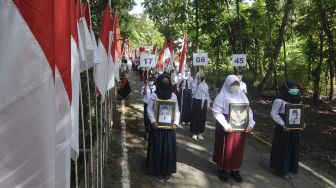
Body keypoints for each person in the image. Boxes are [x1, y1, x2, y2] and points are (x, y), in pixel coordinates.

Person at [212, 75, 255, 183]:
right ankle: (223, 169)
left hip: (240, 126)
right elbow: (216, 111)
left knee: (237, 149)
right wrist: (225, 125)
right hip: (226, 126)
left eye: (237, 84)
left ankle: (235, 169)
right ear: (227, 84)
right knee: (225, 148)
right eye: (232, 84)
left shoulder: (242, 96)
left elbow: (248, 110)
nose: (235, 86)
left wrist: (251, 124)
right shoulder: (221, 96)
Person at [146, 74, 180, 182]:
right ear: (159, 83)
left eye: (167, 82)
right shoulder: (154, 96)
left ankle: (167, 171)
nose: (165, 83)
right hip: (157, 128)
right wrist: (153, 121)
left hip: (170, 128)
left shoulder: (173, 96)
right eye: (163, 82)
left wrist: (175, 123)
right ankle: (157, 171)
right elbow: (149, 109)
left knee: (168, 150)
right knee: (158, 148)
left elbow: (177, 111)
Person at [270, 80, 302, 180]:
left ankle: (289, 169)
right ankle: (281, 170)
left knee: (292, 148)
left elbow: (300, 112)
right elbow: (273, 113)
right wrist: (283, 124)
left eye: (297, 88)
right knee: (282, 148)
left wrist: (301, 123)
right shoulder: (279, 100)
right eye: (293, 88)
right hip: (283, 128)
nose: (295, 90)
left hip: (294, 128)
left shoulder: (298, 99)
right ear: (287, 88)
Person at [190, 72, 211, 140]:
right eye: (199, 76)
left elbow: (207, 95)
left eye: (202, 76)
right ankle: (195, 132)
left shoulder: (206, 85)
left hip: (203, 102)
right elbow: (193, 93)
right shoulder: (194, 83)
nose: (200, 77)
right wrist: (197, 85)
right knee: (196, 117)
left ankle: (200, 133)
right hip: (197, 102)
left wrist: (208, 104)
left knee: (202, 118)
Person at [141, 76, 156, 141]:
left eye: (151, 80)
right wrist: (145, 86)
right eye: (149, 80)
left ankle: (152, 132)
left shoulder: (155, 88)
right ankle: (147, 132)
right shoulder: (144, 87)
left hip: (154, 105)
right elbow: (143, 94)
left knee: (152, 118)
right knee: (146, 118)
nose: (150, 82)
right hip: (147, 104)